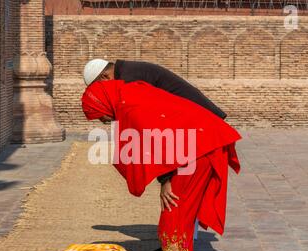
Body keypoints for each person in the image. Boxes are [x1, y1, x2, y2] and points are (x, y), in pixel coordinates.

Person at [81, 79, 241, 251]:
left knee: (175, 207)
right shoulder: (130, 93)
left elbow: (158, 142)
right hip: (199, 144)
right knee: (179, 207)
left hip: (199, 149)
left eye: (99, 115)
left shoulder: (130, 107)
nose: (103, 121)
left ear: (102, 103)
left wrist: (166, 180)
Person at [83, 58, 227, 215]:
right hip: (201, 130)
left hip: (200, 134)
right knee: (184, 206)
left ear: (105, 78)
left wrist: (166, 180)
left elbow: (153, 136)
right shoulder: (129, 72)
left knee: (176, 205)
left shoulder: (130, 84)